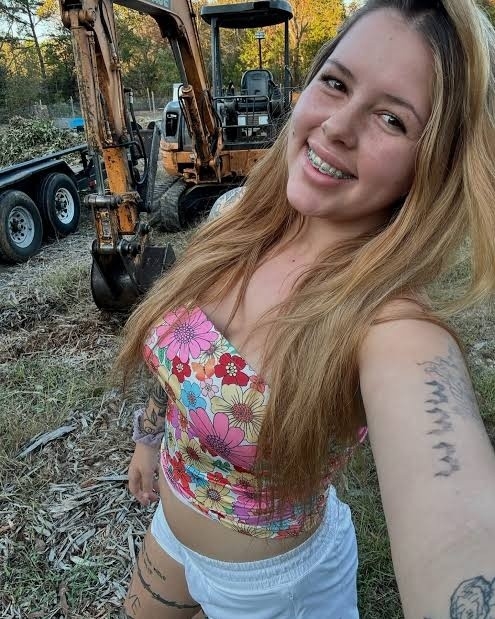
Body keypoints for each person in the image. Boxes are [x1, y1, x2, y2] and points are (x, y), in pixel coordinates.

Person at [117, 0, 495, 617]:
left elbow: (461, 528)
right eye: (336, 83)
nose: (338, 126)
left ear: (433, 160)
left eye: (392, 119)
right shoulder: (236, 218)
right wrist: (148, 437)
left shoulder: (389, 327)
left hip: (273, 591)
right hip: (171, 533)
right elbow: (176, 353)